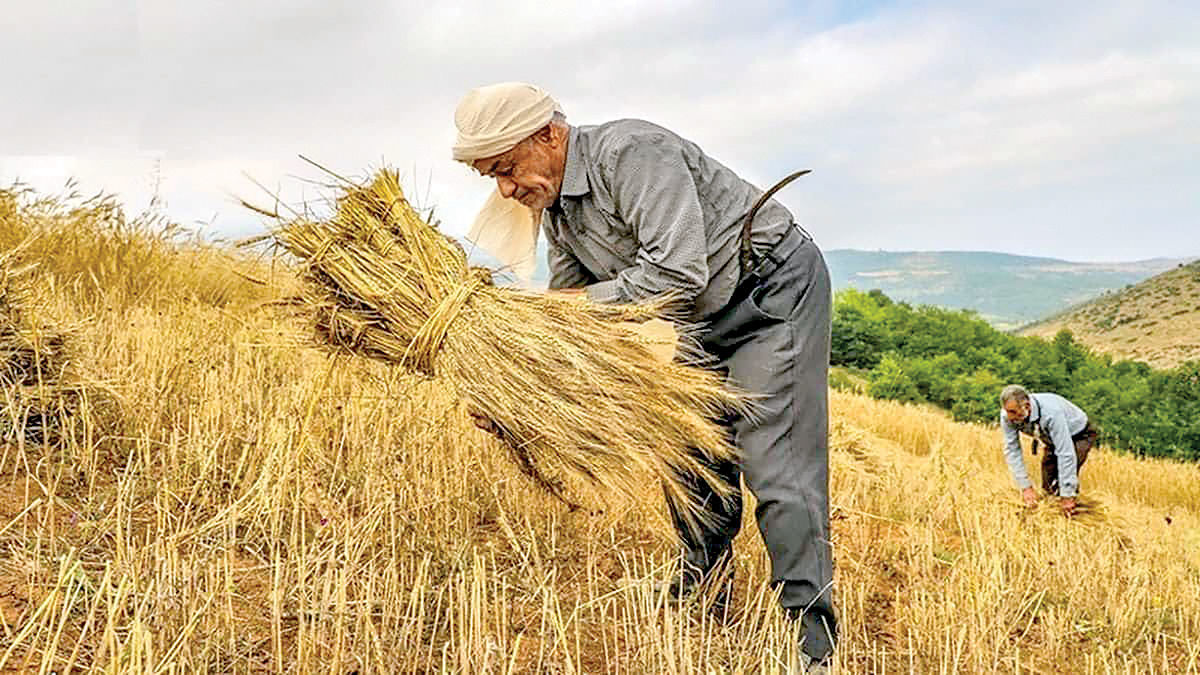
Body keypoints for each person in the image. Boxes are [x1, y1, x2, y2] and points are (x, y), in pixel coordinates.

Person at [452, 82, 836, 667]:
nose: (507, 189)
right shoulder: (560, 213)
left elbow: (677, 271)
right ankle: (699, 594)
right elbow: (575, 320)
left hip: (767, 293)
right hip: (695, 316)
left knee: (775, 464)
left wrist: (566, 310)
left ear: (548, 135)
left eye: (508, 168)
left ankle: (812, 639)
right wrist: (517, 386)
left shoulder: (632, 154)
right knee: (690, 455)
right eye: (493, 178)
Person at [999, 384, 1099, 516]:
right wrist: (1025, 487)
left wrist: (1067, 495)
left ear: (1027, 406)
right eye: (1007, 411)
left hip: (1079, 434)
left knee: (1062, 481)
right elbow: (1012, 450)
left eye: (1012, 412)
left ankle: (1074, 515)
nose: (1010, 417)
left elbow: (1065, 453)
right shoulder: (1007, 416)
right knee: (1048, 485)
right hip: (1050, 437)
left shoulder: (1051, 413)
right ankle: (1052, 519)